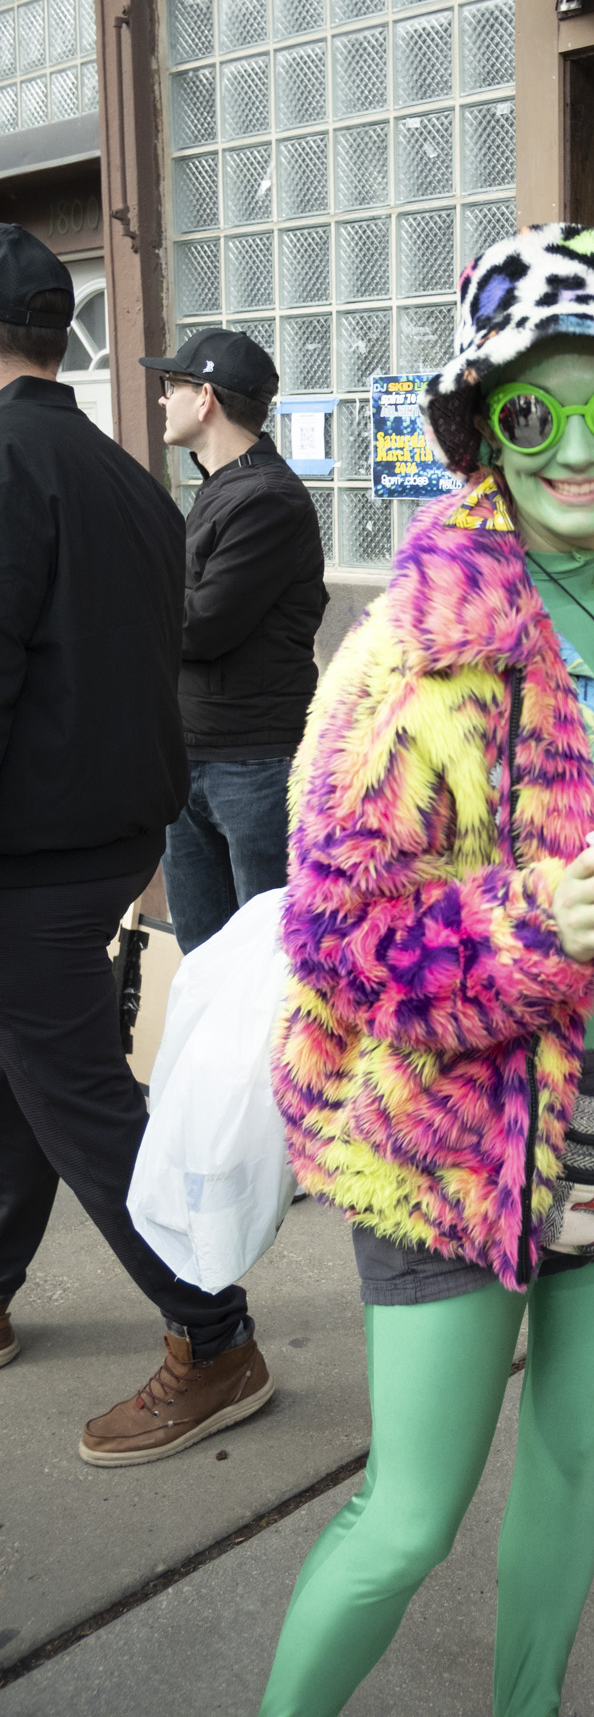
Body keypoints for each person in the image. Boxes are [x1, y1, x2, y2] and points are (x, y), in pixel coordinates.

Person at [261, 222, 594, 1717]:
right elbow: (334, 936)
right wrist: (537, 927)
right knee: (408, 1517)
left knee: (577, 1450)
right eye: (535, 413)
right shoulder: (415, 649)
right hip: (460, 1141)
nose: (579, 450)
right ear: (485, 429)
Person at [0, 224, 272, 1459]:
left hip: (37, 849)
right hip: (111, 826)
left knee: (80, 1097)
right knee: (28, 1075)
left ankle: (213, 1332)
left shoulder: (14, 464)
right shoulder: (128, 479)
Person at [146, 328, 326, 955]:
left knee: (267, 966)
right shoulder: (221, 488)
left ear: (205, 399)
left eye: (172, 385)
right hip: (191, 756)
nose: (162, 398)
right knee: (204, 963)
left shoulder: (266, 499)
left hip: (253, 766)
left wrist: (126, 604)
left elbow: (201, 625)